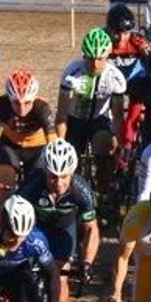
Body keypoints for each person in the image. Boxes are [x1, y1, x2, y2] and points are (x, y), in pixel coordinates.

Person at [18, 139, 99, 302]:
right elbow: (14, 218)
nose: (59, 183)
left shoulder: (81, 191)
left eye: (64, 176)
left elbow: (91, 229)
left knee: (60, 279)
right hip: (36, 228)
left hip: (64, 231)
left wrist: (87, 263)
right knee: (24, 272)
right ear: (45, 171)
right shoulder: (32, 184)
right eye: (53, 176)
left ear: (73, 172)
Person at [58, 27, 129, 193]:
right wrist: (61, 143)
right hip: (74, 120)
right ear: (84, 55)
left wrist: (119, 143)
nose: (95, 64)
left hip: (99, 119)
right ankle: (73, 194)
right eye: (90, 59)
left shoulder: (116, 78)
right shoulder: (71, 73)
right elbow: (61, 114)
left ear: (108, 56)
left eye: (100, 59)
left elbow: (118, 116)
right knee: (69, 162)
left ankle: (103, 194)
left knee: (105, 151)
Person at [0, 69, 56, 191]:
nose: (22, 109)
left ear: (34, 98)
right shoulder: (1, 106)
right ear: (9, 99)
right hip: (10, 146)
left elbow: (53, 143)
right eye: (16, 103)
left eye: (27, 103)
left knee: (35, 191)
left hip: (37, 149)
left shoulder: (42, 108)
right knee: (4, 192)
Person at [104, 2, 150, 83]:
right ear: (108, 29)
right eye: (116, 33)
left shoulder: (138, 41)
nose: (121, 38)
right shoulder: (102, 41)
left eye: (125, 33)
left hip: (133, 86)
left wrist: (147, 55)